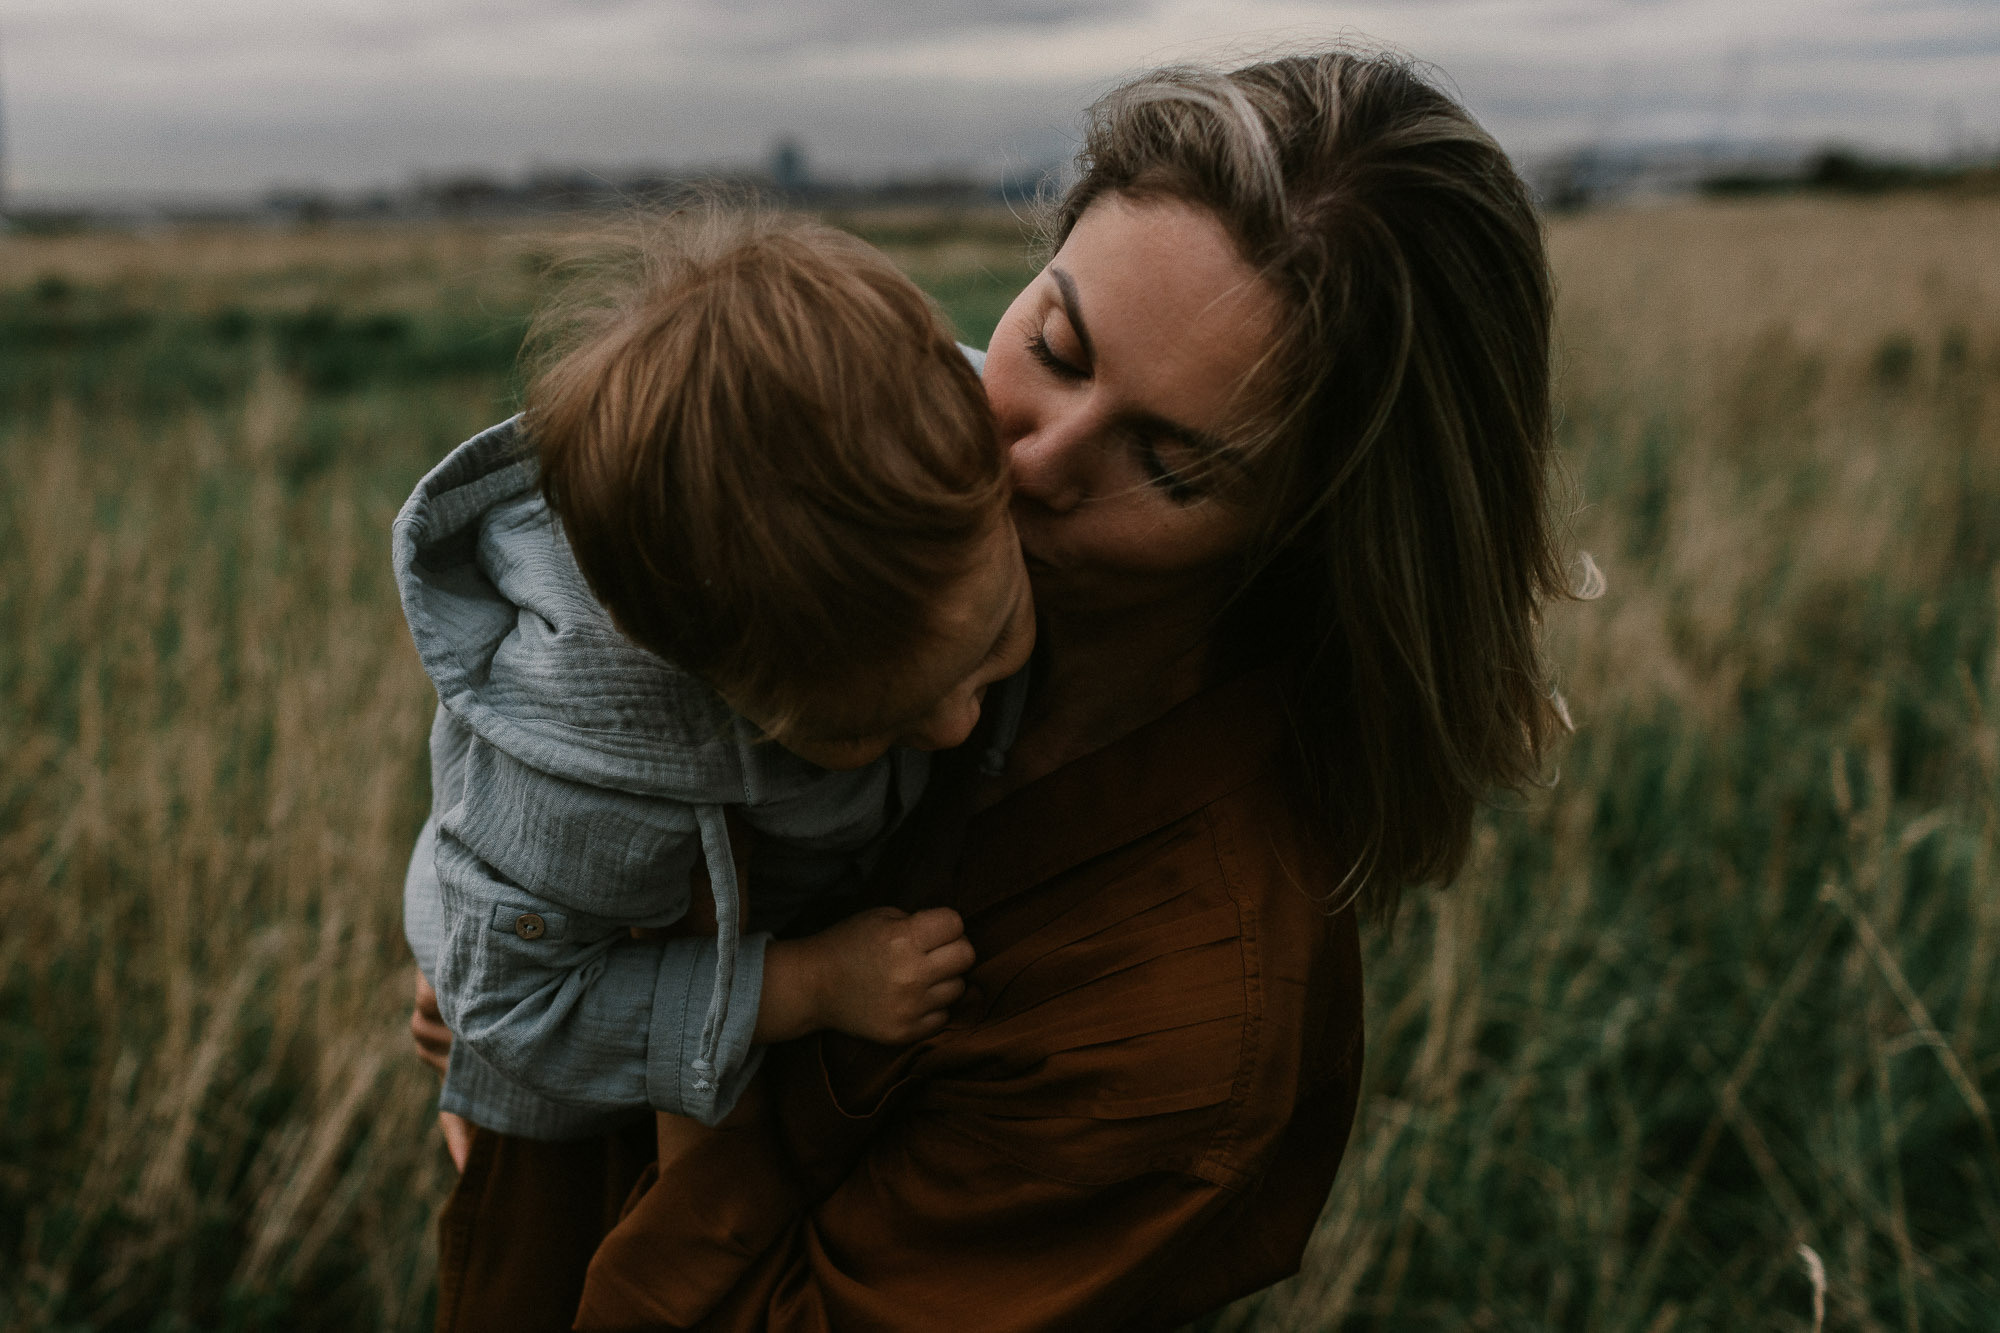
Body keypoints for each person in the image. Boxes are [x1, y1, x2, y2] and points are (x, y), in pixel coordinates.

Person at [413, 47, 1571, 1331]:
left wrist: (694, 1014)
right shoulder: (864, 505)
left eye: (1173, 467)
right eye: (1056, 345)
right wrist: (515, 992)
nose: (1028, 457)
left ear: (1317, 532)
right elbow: (543, 795)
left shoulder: (1182, 1008)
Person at [395, 213, 1033, 1177]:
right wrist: (809, 985)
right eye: (866, 725)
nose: (956, 725)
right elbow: (511, 1004)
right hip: (564, 1037)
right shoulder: (585, 775)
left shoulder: (936, 432)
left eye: (993, 643)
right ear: (698, 672)